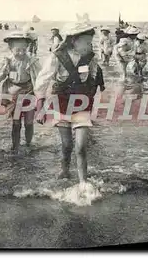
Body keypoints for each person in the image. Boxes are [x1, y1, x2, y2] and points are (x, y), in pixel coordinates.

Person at [34, 21, 105, 183]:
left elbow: (93, 76)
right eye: (87, 42)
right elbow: (42, 81)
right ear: (74, 40)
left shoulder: (90, 58)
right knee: (67, 146)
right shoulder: (57, 57)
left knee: (81, 147)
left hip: (82, 106)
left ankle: (83, 183)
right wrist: (40, 108)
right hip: (62, 104)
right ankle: (64, 170)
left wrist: (92, 94)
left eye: (90, 42)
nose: (90, 45)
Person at [0, 31, 41, 153]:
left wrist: (40, 97)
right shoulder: (7, 61)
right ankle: (15, 146)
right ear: (10, 48)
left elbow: (39, 79)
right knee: (16, 122)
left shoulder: (31, 61)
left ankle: (28, 143)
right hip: (12, 94)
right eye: (17, 50)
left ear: (27, 47)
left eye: (24, 49)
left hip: (28, 93)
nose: (21, 53)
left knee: (28, 122)